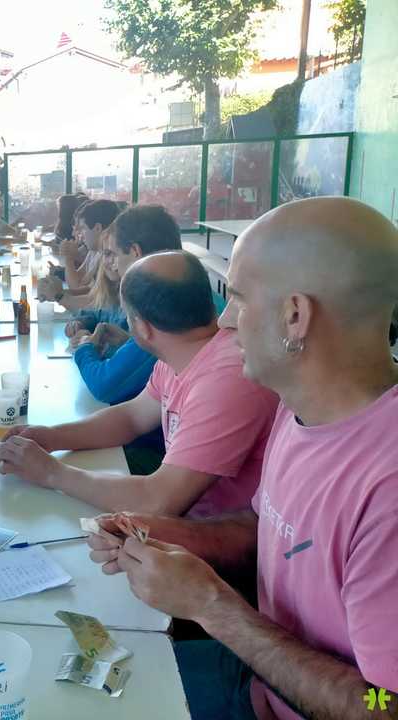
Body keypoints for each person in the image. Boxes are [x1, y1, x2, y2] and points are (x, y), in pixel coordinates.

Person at [85, 197, 398, 720]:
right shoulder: (297, 404)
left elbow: (384, 705)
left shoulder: (386, 488)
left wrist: (212, 607)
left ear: (294, 316)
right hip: (259, 674)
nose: (226, 321)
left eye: (237, 299)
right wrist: (161, 532)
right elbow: (266, 526)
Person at [0, 250, 278, 518]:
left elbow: (158, 501)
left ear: (141, 326)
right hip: (189, 518)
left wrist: (52, 473)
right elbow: (131, 417)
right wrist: (52, 437)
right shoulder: (183, 351)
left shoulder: (225, 380)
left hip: (214, 534)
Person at [67, 205, 188, 406]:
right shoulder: (181, 286)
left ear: (135, 252)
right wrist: (129, 342)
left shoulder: (161, 309)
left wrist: (84, 346)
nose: (110, 264)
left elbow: (105, 386)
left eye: (112, 254)